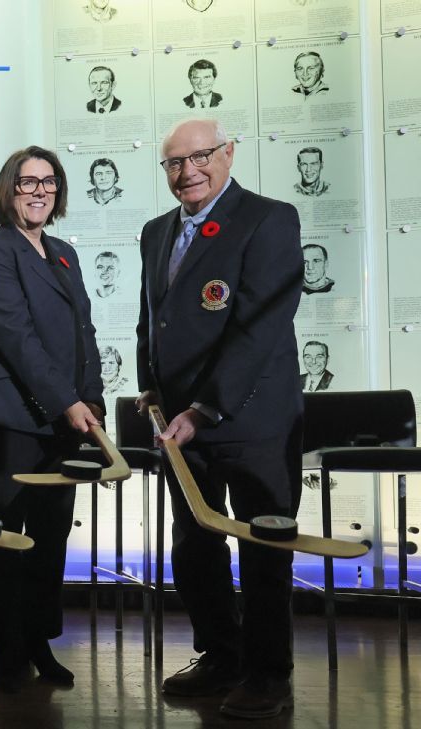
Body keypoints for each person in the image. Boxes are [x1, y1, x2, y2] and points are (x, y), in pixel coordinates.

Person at [136, 118, 303, 719]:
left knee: (264, 548)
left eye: (201, 157)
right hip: (179, 426)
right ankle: (219, 654)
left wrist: (205, 409)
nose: (188, 172)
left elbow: (258, 328)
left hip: (252, 420)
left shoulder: (268, 218)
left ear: (228, 154)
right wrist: (150, 387)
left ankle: (267, 673)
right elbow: (151, 321)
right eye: (175, 163)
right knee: (195, 546)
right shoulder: (156, 232)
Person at [0, 146, 103, 692]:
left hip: (61, 419)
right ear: (9, 190)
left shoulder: (64, 252)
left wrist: (89, 399)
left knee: (50, 535)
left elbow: (84, 335)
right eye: (27, 183)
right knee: (5, 538)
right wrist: (66, 401)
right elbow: (17, 338)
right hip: (6, 418)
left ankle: (39, 640)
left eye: (48, 182)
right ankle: (8, 653)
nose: (39, 191)